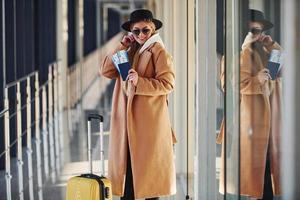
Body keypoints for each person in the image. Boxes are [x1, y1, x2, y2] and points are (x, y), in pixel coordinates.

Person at [100, 9, 177, 200]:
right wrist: (122, 45)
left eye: (146, 30)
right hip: (126, 122)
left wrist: (139, 81)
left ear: (153, 30)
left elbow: (167, 84)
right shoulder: (130, 49)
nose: (141, 35)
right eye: (136, 31)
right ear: (131, 33)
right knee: (129, 172)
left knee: (148, 178)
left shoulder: (159, 51)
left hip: (148, 124)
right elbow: (105, 71)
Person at [217, 9, 283, 199]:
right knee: (252, 177)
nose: (258, 36)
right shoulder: (233, 56)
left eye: (260, 31)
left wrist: (272, 46)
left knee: (265, 171)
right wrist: (257, 79)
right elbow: (233, 87)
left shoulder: (262, 52)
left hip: (268, 119)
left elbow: (281, 70)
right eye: (253, 31)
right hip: (246, 122)